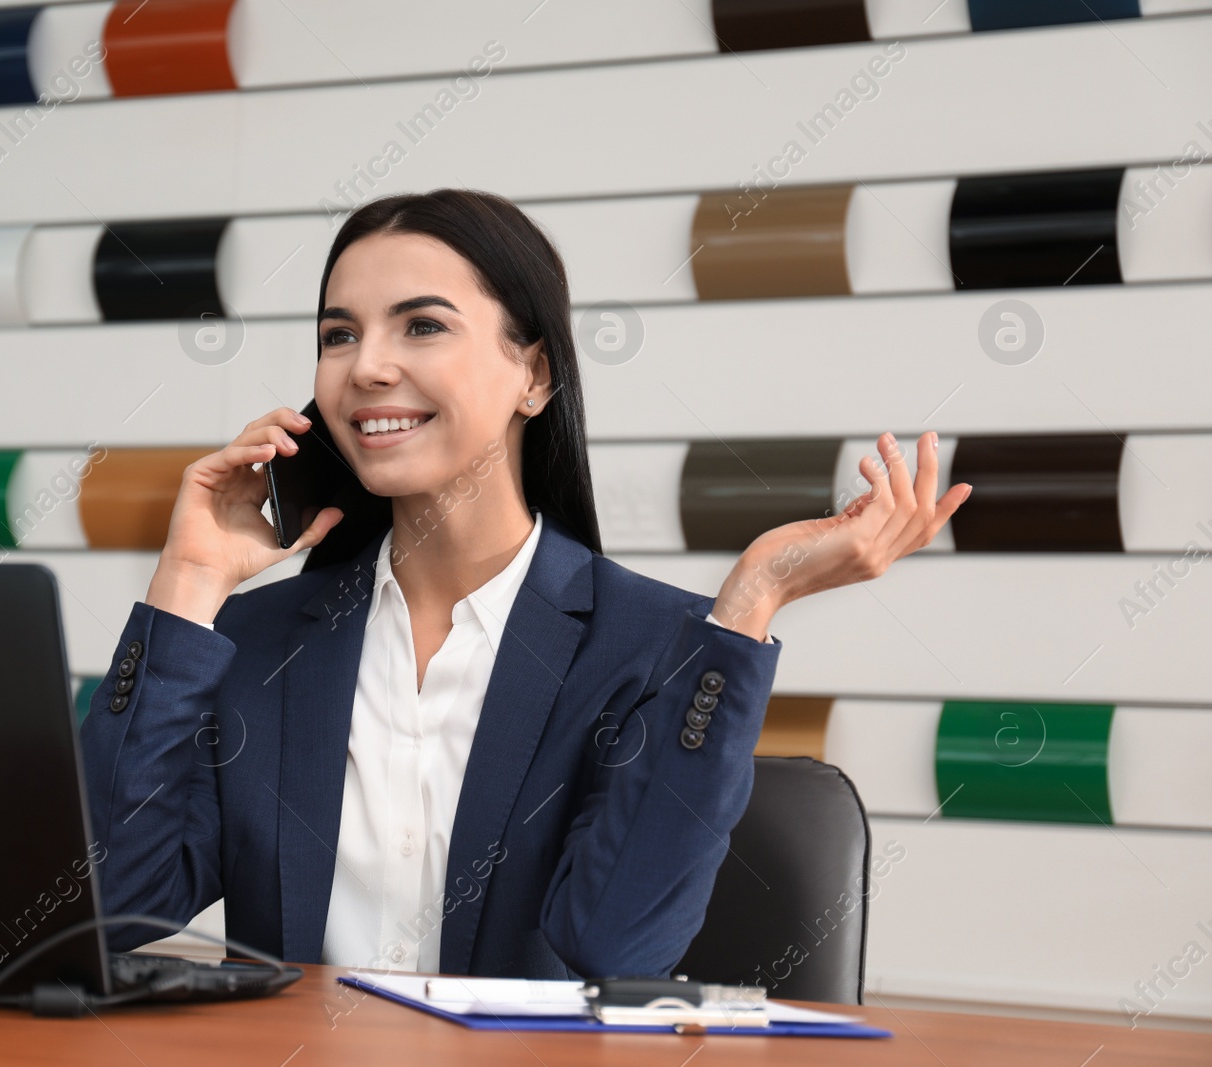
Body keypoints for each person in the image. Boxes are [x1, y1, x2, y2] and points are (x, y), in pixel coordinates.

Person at [78, 188, 970, 980]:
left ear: (534, 375)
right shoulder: (257, 639)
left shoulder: (652, 641)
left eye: (421, 325)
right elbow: (112, 903)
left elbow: (617, 947)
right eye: (338, 334)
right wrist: (188, 582)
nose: (367, 367)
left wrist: (747, 605)